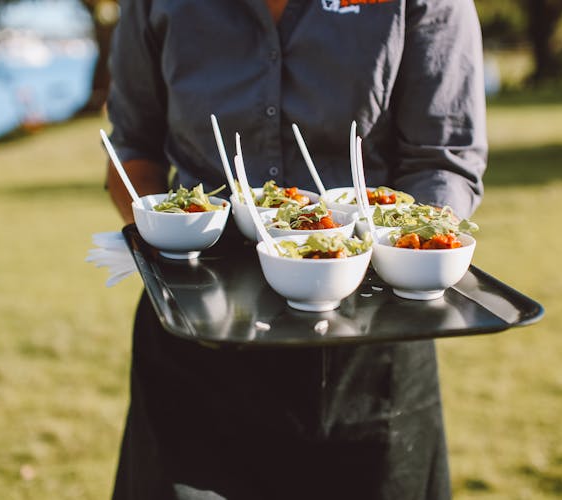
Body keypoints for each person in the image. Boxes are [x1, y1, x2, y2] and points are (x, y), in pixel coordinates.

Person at [105, 1, 487, 499]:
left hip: (371, 350)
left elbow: (442, 159)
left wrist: (411, 252)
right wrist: (167, 234)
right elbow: (132, 151)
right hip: (196, 349)